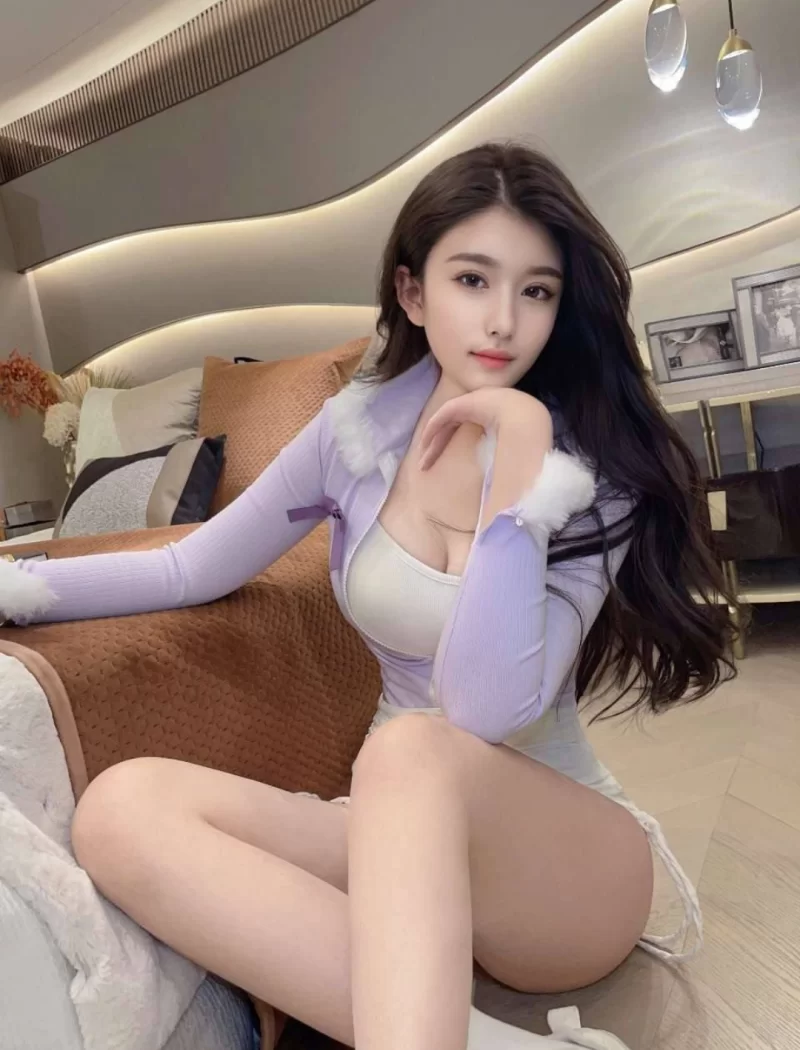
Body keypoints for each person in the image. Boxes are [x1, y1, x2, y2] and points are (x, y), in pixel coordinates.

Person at [0, 143, 735, 1050]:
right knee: (121, 811)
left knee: (411, 748)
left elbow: (485, 708)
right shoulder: (351, 437)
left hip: (562, 867)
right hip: (396, 830)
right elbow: (188, 568)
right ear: (413, 293)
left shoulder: (592, 471)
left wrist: (519, 467)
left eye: (537, 290)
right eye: (473, 279)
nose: (504, 320)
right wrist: (17, 585)